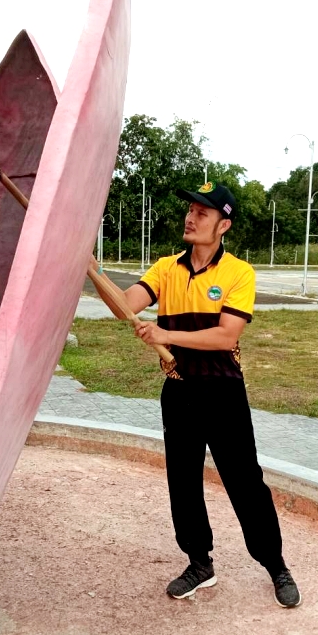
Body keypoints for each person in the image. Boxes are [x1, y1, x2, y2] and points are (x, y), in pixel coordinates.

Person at [123, 182, 301, 608]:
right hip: (179, 391)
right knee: (182, 481)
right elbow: (126, 303)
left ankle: (275, 564)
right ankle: (199, 563)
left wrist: (166, 334)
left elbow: (226, 336)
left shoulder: (239, 273)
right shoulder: (166, 268)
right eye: (190, 210)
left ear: (223, 225)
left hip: (223, 393)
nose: (191, 217)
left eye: (202, 213)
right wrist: (86, 268)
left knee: (245, 482)